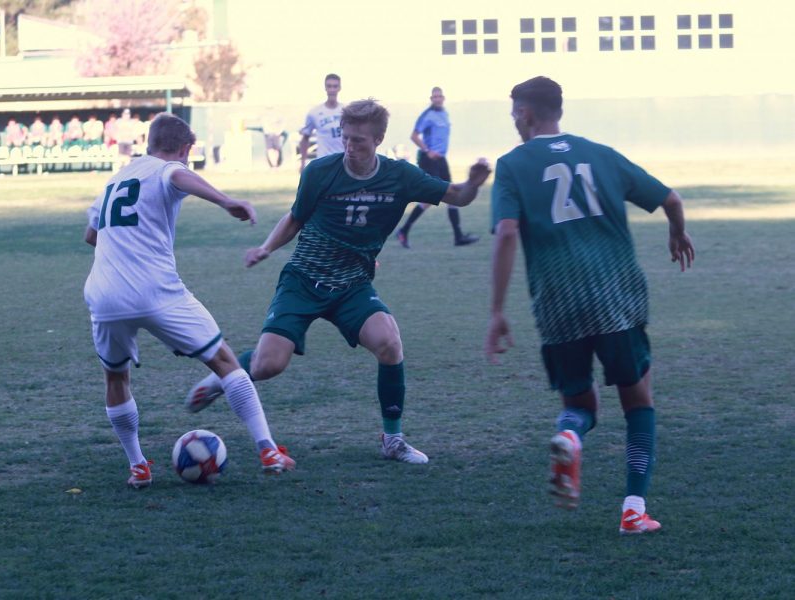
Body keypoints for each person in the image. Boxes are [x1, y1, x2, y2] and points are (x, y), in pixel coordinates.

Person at [189, 99, 491, 464]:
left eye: (359, 141)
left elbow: (457, 196)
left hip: (352, 285)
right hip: (304, 279)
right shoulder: (321, 171)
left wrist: (473, 182)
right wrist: (266, 248)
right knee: (268, 366)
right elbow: (296, 217)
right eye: (345, 138)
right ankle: (226, 376)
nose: (350, 147)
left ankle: (392, 440)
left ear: (378, 139)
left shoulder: (400, 175)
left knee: (389, 343)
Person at [486, 76, 695, 534]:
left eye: (513, 113)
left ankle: (569, 434)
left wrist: (497, 311)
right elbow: (670, 199)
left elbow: (505, 233)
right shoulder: (599, 153)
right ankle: (634, 509)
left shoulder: (511, 165)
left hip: (558, 302)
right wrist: (677, 231)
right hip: (616, 294)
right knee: (638, 401)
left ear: (525, 113)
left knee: (581, 404)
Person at [83, 113, 295, 488]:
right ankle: (268, 449)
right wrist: (225, 200)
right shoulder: (166, 169)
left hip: (105, 293)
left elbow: (91, 235)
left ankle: (137, 466)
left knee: (116, 377)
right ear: (184, 149)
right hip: (155, 289)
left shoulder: (113, 182)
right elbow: (176, 176)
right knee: (225, 361)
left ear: (149, 143)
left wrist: (123, 248)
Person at [395, 87, 478, 248]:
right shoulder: (427, 115)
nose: (437, 99)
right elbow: (414, 135)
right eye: (434, 97)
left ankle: (458, 236)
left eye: (439, 96)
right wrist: (427, 150)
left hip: (441, 160)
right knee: (435, 196)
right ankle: (403, 231)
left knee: (451, 195)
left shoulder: (444, 114)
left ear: (443, 98)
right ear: (431, 99)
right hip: (429, 160)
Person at [298, 73, 344, 172]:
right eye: (329, 86)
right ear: (325, 88)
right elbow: (305, 137)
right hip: (324, 161)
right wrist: (302, 162)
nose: (332, 90)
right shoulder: (314, 113)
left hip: (343, 161)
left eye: (335, 86)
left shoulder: (346, 111)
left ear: (339, 88)